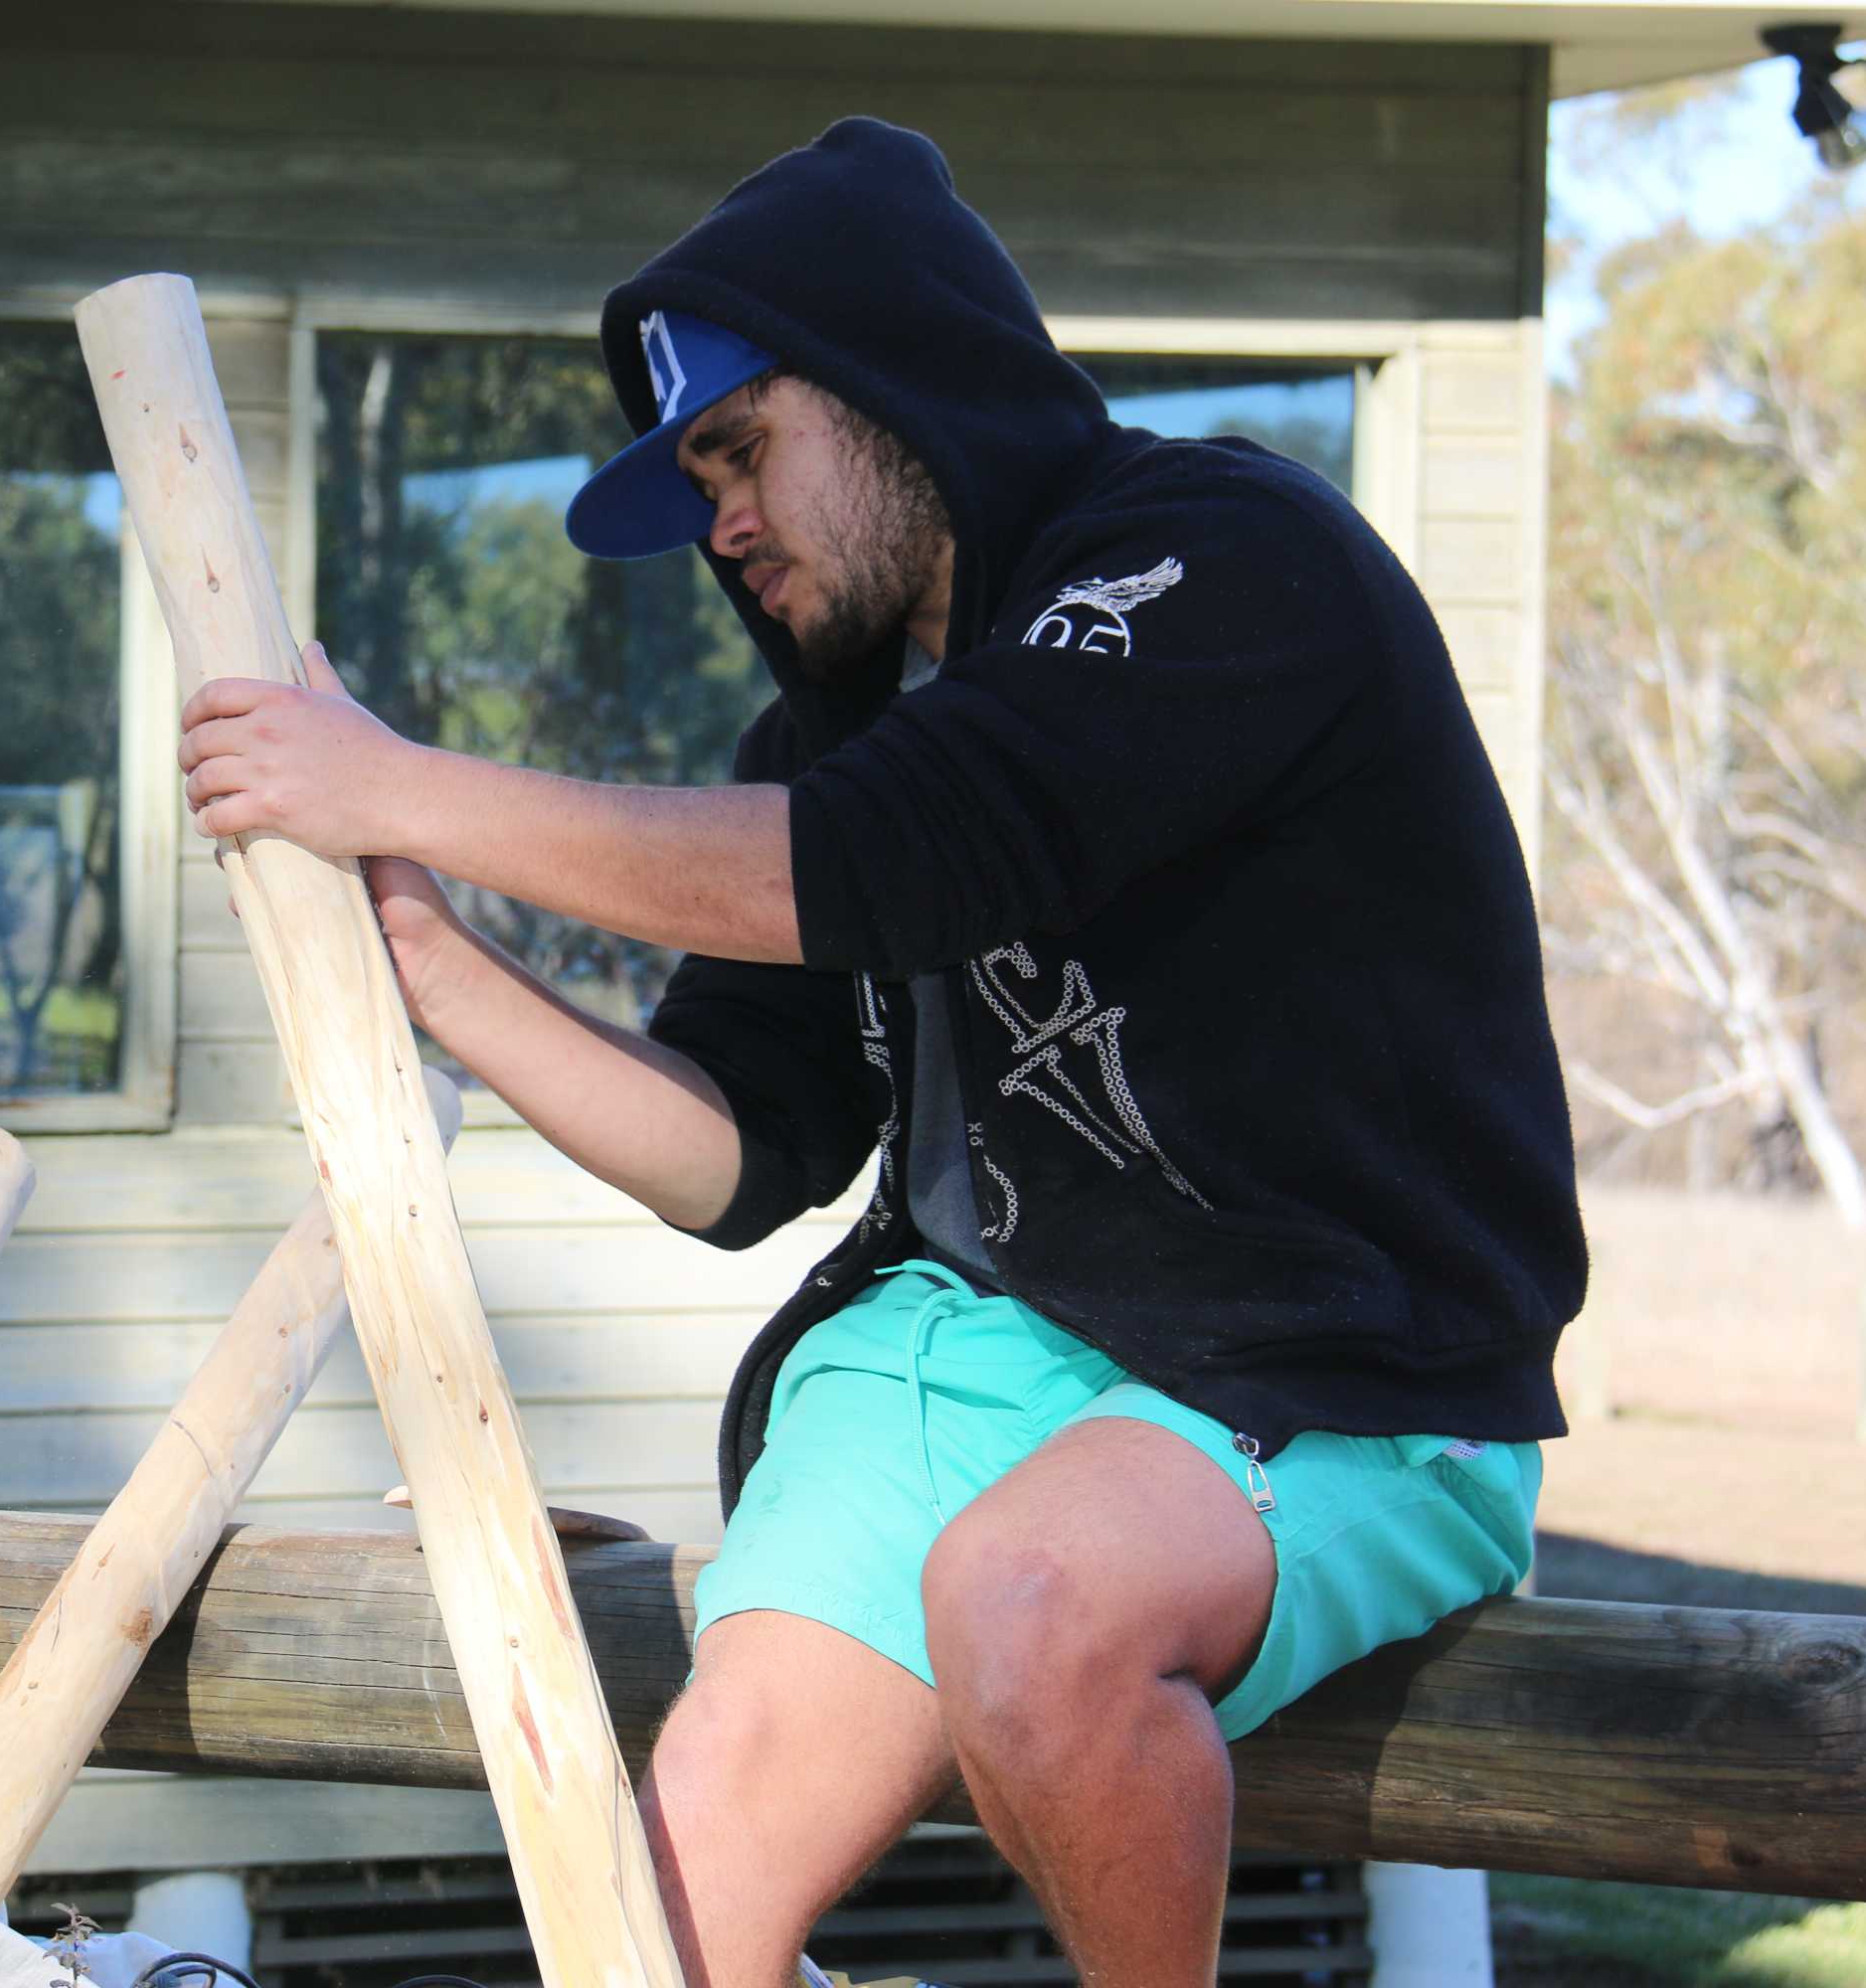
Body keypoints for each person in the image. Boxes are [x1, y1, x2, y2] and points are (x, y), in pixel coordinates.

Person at [177, 118, 1585, 1987]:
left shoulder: (1220, 559)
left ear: (896, 378)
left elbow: (909, 859)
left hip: (1335, 1352)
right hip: (978, 1351)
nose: (722, 525)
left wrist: (402, 781)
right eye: (698, 487)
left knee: (1030, 1603)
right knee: (666, 1903)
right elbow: (736, 1158)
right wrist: (437, 956)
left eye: (743, 451)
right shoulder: (824, 748)